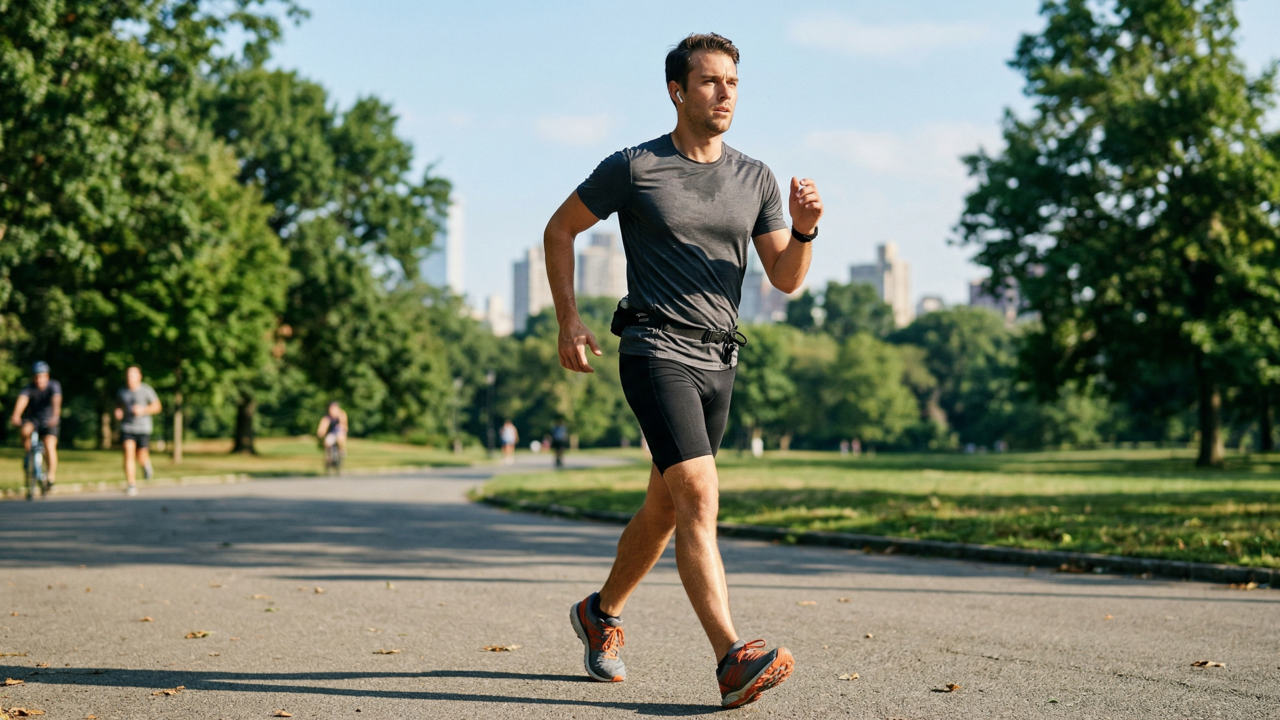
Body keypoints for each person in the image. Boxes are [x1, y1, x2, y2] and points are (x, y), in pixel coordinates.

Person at [543, 33, 823, 707]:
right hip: (654, 348)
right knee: (700, 493)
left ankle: (600, 613)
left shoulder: (755, 178)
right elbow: (559, 230)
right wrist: (568, 320)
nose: (723, 93)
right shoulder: (635, 167)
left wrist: (808, 231)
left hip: (720, 356)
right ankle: (732, 657)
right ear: (677, 90)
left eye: (732, 82)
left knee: (665, 506)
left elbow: (784, 280)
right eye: (709, 82)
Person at [10, 361, 62, 488]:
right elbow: (22, 400)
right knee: (24, 430)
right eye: (36, 376)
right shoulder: (29, 388)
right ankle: (28, 452)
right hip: (33, 420)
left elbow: (56, 401)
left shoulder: (53, 386)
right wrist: (16, 415)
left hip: (49, 421)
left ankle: (50, 476)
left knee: (49, 445)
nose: (39, 379)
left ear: (47, 376)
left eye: (41, 376)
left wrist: (55, 416)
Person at [115, 366, 162, 496]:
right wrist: (118, 411)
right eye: (128, 375)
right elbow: (118, 405)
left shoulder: (146, 390)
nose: (129, 378)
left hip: (143, 428)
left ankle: (145, 465)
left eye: (132, 375)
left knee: (141, 456)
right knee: (128, 452)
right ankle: (131, 484)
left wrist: (143, 410)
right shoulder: (122, 391)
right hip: (127, 427)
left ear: (139, 376)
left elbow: (157, 406)